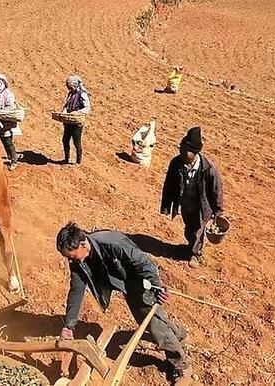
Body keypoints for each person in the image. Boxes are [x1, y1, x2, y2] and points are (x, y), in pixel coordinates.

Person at [56, 222, 192, 385]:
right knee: (149, 321)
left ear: (83, 243)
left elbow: (144, 263)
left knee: (154, 324)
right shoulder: (78, 262)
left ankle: (181, 365)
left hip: (141, 281)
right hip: (125, 283)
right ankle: (178, 334)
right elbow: (76, 290)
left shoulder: (113, 243)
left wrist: (156, 286)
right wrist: (69, 326)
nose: (71, 260)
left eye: (71, 256)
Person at [160, 126, 224, 268]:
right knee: (189, 227)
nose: (182, 153)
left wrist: (218, 211)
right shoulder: (176, 163)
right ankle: (190, 247)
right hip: (185, 201)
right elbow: (169, 184)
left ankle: (196, 254)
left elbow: (216, 190)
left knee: (198, 229)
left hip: (202, 204)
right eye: (181, 150)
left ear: (195, 153)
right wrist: (166, 205)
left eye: (186, 152)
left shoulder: (208, 169)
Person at [0, 74, 22, 171]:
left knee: (8, 141)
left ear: (3, 83)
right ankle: (10, 157)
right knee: (4, 141)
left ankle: (14, 160)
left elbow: (11, 107)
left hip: (7, 123)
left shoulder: (8, 94)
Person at [60, 75, 90, 165]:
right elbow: (66, 105)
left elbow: (87, 108)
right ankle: (66, 159)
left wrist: (77, 112)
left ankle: (78, 161)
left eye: (70, 86)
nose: (69, 89)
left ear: (75, 85)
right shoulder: (70, 94)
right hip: (69, 122)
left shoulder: (82, 94)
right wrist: (64, 112)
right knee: (65, 140)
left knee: (77, 142)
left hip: (77, 123)